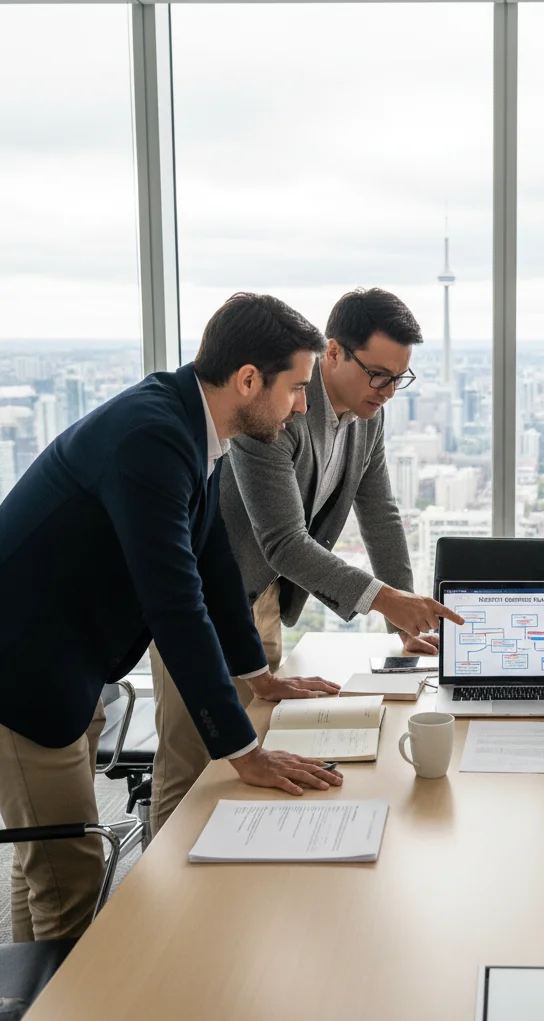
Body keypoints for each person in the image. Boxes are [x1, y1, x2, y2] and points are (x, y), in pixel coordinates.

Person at [0, 293, 345, 942]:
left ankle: (26, 1001)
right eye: (297, 388)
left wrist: (255, 674)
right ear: (249, 379)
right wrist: (242, 750)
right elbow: (175, 602)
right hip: (23, 674)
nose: (303, 405)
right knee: (67, 871)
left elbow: (213, 563)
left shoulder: (190, 421)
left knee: (42, 865)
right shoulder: (153, 435)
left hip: (71, 661)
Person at [150, 287, 464, 832]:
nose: (389, 392)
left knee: (254, 749)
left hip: (265, 598)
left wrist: (403, 618)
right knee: (194, 761)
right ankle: (159, 899)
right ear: (335, 352)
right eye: (379, 375)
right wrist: (386, 599)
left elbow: (381, 513)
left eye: (400, 378)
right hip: (199, 598)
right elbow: (284, 541)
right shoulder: (277, 405)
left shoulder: (369, 416)